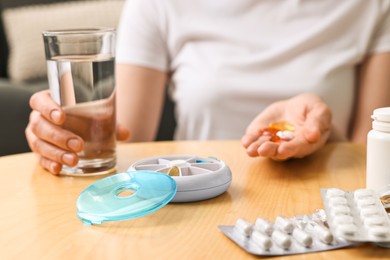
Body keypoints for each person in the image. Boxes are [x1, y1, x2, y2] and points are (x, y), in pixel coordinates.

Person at [26, 0, 390, 174]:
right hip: (193, 196)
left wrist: (319, 129)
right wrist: (61, 133)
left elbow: (372, 156)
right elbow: (126, 139)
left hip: (321, 200)